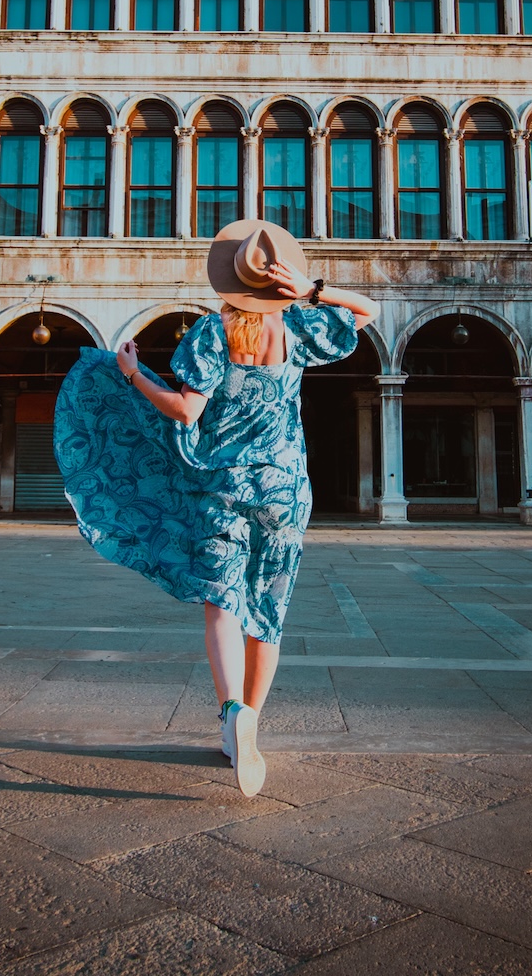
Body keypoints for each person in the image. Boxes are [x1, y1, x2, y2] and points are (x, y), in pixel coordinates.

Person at [53, 219, 379, 797]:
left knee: (222, 602)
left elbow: (183, 411)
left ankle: (232, 715)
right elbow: (368, 312)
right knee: (269, 607)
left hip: (223, 486)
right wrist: (312, 290)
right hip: (285, 490)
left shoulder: (211, 333)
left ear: (226, 283)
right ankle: (250, 719)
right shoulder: (298, 327)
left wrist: (132, 376)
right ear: (278, 280)